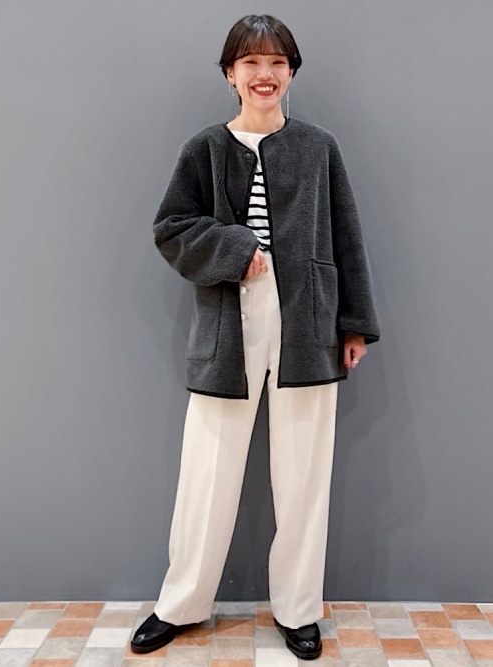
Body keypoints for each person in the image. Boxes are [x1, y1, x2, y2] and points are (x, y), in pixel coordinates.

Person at [131, 14, 380, 661]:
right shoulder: (204, 149)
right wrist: (237, 249)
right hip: (228, 320)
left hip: (309, 322)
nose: (264, 75)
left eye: (276, 63)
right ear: (230, 74)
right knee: (206, 472)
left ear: (291, 72)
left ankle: (298, 610)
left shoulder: (319, 148)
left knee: (304, 477)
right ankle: (181, 603)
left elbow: (346, 236)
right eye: (251, 63)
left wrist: (354, 323)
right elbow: (171, 227)